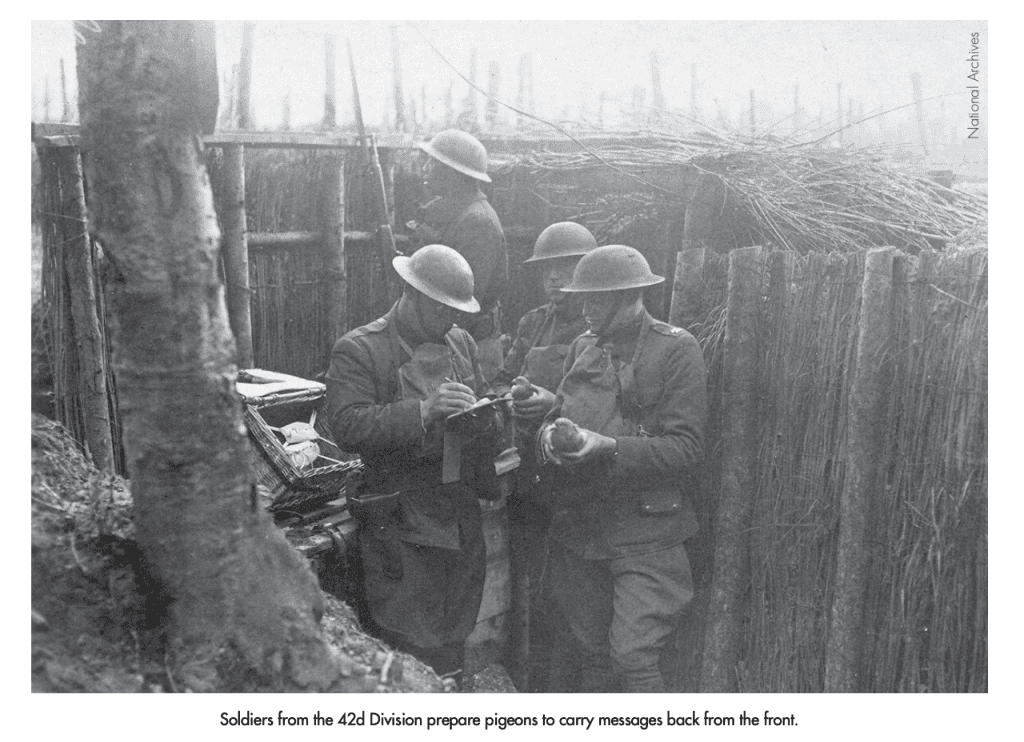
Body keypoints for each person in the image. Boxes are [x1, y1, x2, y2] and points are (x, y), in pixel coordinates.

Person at [325, 243, 501, 687]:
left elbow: (477, 408)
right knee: (408, 646)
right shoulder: (361, 348)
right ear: (411, 292)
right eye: (441, 308)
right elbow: (347, 425)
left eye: (456, 311)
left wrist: (486, 413)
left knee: (453, 637)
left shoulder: (459, 343)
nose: (451, 320)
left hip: (457, 514)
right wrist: (422, 412)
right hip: (401, 523)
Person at [537, 244, 708, 693]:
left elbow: (686, 448)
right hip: (585, 529)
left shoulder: (675, 349)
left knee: (632, 658)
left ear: (628, 297)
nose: (584, 309)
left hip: (648, 535)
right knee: (591, 653)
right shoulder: (583, 346)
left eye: (595, 300)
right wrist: (551, 439)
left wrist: (607, 447)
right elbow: (559, 413)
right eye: (583, 299)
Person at [491, 221, 597, 691]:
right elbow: (497, 381)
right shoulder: (532, 323)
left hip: (580, 479)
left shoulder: (603, 327)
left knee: (575, 597)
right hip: (530, 478)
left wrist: (555, 402)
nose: (554, 279)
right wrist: (512, 394)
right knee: (528, 589)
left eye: (566, 267)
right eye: (546, 270)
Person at [411, 129, 509, 382]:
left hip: (471, 347)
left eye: (432, 163)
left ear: (452, 172)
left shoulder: (477, 222)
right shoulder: (452, 213)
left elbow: (465, 301)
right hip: (448, 340)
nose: (425, 169)